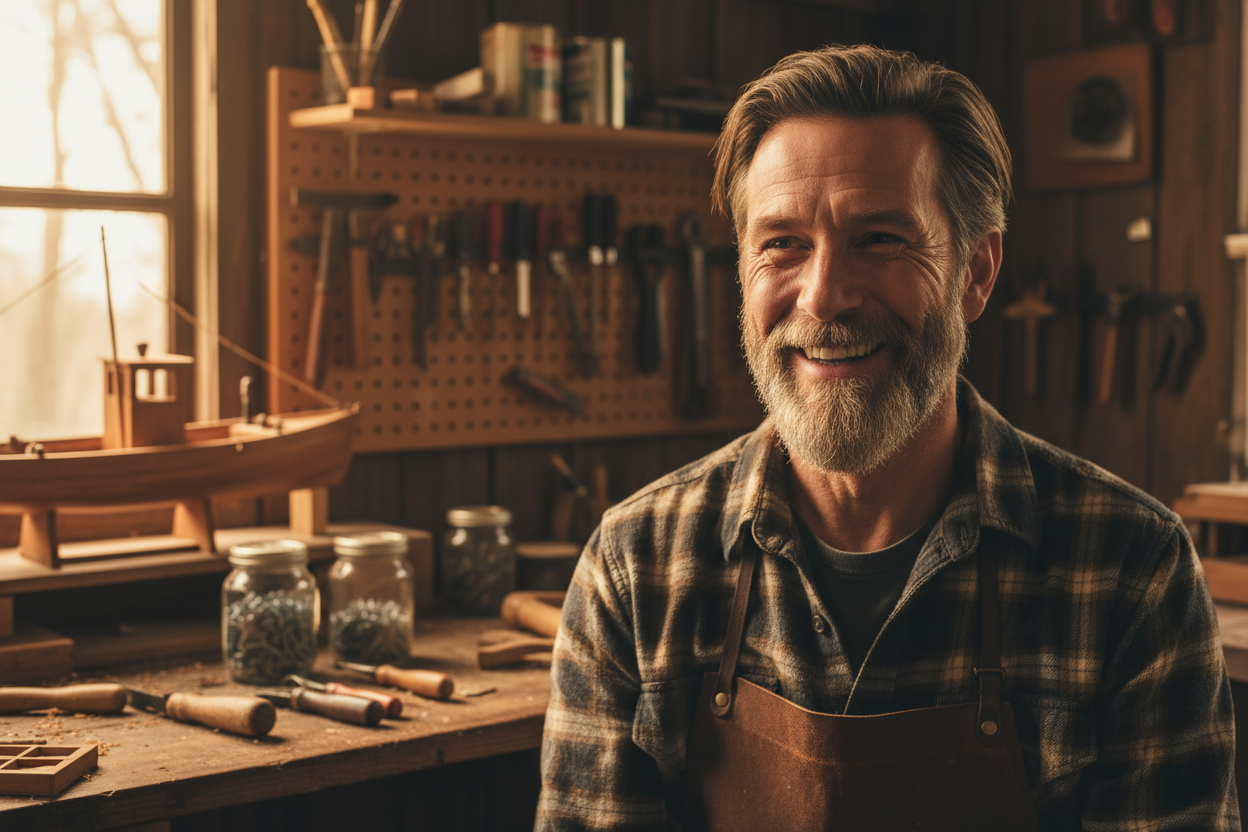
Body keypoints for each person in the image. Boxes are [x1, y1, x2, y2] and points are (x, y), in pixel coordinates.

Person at [535, 43, 1239, 831]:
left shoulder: (1130, 571)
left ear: (975, 271)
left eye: (878, 239)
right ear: (742, 270)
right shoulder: (634, 572)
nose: (825, 294)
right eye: (782, 244)